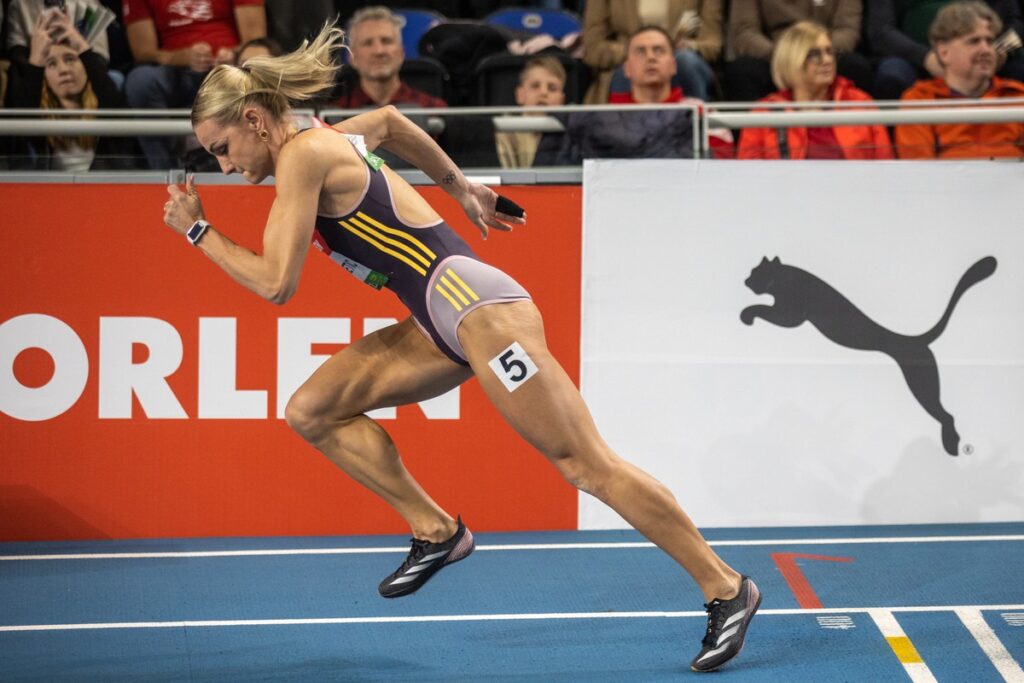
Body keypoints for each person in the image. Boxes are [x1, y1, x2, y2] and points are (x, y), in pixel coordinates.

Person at [161, 24, 761, 673]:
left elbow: (278, 282)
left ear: (253, 118)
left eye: (222, 148)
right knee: (313, 409)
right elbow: (389, 122)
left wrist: (197, 229)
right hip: (435, 319)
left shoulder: (304, 155)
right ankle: (436, 529)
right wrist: (462, 187)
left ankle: (726, 586)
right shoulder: (319, 143)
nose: (224, 165)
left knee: (588, 465)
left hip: (479, 312)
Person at [122, 0, 267, 168]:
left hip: (229, 67)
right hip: (173, 72)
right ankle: (163, 171)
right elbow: (142, 51)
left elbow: (256, 39)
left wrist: (233, 55)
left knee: (255, 62)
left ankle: (250, 164)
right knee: (140, 80)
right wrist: (177, 58)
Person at [3, 6, 138, 169]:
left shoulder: (107, 105)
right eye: (51, 64)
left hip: (99, 192)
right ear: (44, 76)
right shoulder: (36, 114)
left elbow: (116, 107)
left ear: (86, 67)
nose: (64, 70)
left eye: (70, 59)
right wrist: (36, 59)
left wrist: (81, 46)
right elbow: (22, 123)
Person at [738, 22, 894, 159]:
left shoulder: (860, 103)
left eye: (829, 51)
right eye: (814, 54)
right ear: (792, 60)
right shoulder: (764, 114)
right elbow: (749, 180)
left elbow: (885, 168)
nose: (826, 60)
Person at [895, 1, 1024, 158]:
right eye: (974, 41)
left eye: (989, 41)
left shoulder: (1017, 97)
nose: (986, 50)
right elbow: (918, 172)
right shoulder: (919, 101)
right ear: (944, 52)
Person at [555, 26, 695, 162]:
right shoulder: (603, 118)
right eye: (640, 52)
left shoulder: (697, 114)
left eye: (658, 50)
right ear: (626, 68)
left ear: (673, 65)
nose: (650, 57)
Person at [867, 0, 1024, 101]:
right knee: (892, 74)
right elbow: (880, 31)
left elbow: (1016, 23)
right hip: (915, 59)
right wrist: (925, 58)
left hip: (991, 54)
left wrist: (995, 51)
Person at [724, 0, 873, 101]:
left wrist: (818, 52)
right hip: (774, 55)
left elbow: (847, 30)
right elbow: (745, 32)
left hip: (825, 49)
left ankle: (857, 141)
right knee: (742, 71)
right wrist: (789, 55)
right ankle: (753, 142)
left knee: (855, 65)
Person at [582, 0, 722, 103]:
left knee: (685, 62)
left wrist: (690, 46)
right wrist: (636, 52)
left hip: (682, 57)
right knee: (629, 71)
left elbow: (713, 44)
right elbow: (593, 47)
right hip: (624, 60)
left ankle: (697, 131)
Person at [329, 6, 447, 109]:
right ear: (352, 57)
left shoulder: (432, 109)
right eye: (368, 43)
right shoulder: (334, 116)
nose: (379, 51)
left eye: (386, 41)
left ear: (401, 52)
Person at [495, 55, 567, 168]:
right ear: (520, 95)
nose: (544, 92)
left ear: (562, 100)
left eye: (552, 88)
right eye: (535, 86)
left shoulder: (571, 136)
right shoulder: (505, 133)